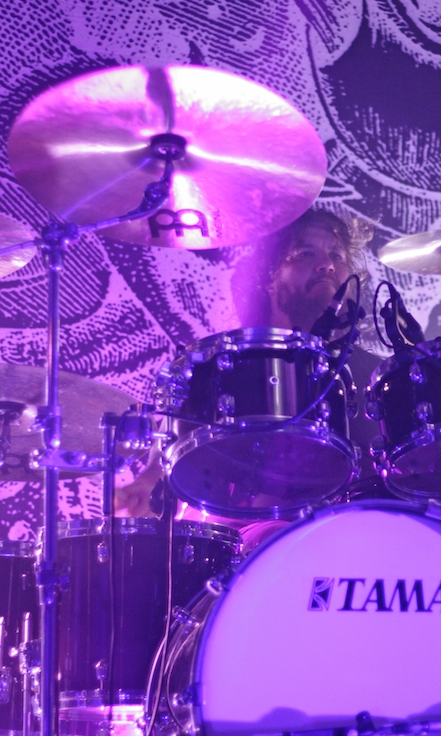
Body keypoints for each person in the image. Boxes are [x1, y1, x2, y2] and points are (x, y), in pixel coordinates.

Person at [114, 207, 379, 527]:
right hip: (250, 540)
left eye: (336, 255)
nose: (327, 265)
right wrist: (148, 483)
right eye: (306, 253)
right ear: (268, 275)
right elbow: (178, 435)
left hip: (357, 537)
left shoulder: (373, 375)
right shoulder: (228, 364)